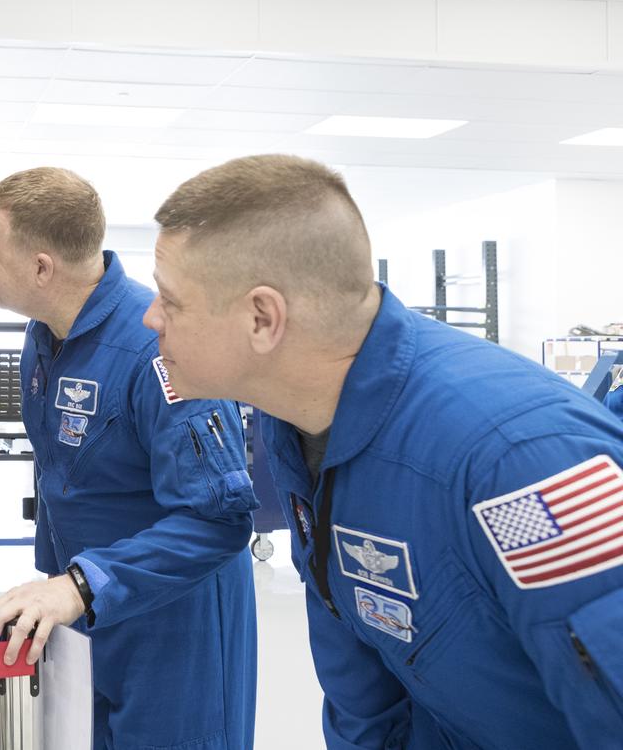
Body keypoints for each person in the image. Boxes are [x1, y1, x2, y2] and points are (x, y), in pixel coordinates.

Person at [145, 154, 623, 749]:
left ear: (263, 318)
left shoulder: (519, 460)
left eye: (172, 300)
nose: (150, 317)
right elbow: (357, 666)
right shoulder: (294, 420)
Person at [0, 167, 258, 750]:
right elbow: (64, 474)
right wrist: (61, 587)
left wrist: (79, 586)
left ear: (41, 267)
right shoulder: (44, 336)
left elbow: (219, 522)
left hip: (175, 623)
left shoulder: (160, 350)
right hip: (87, 609)